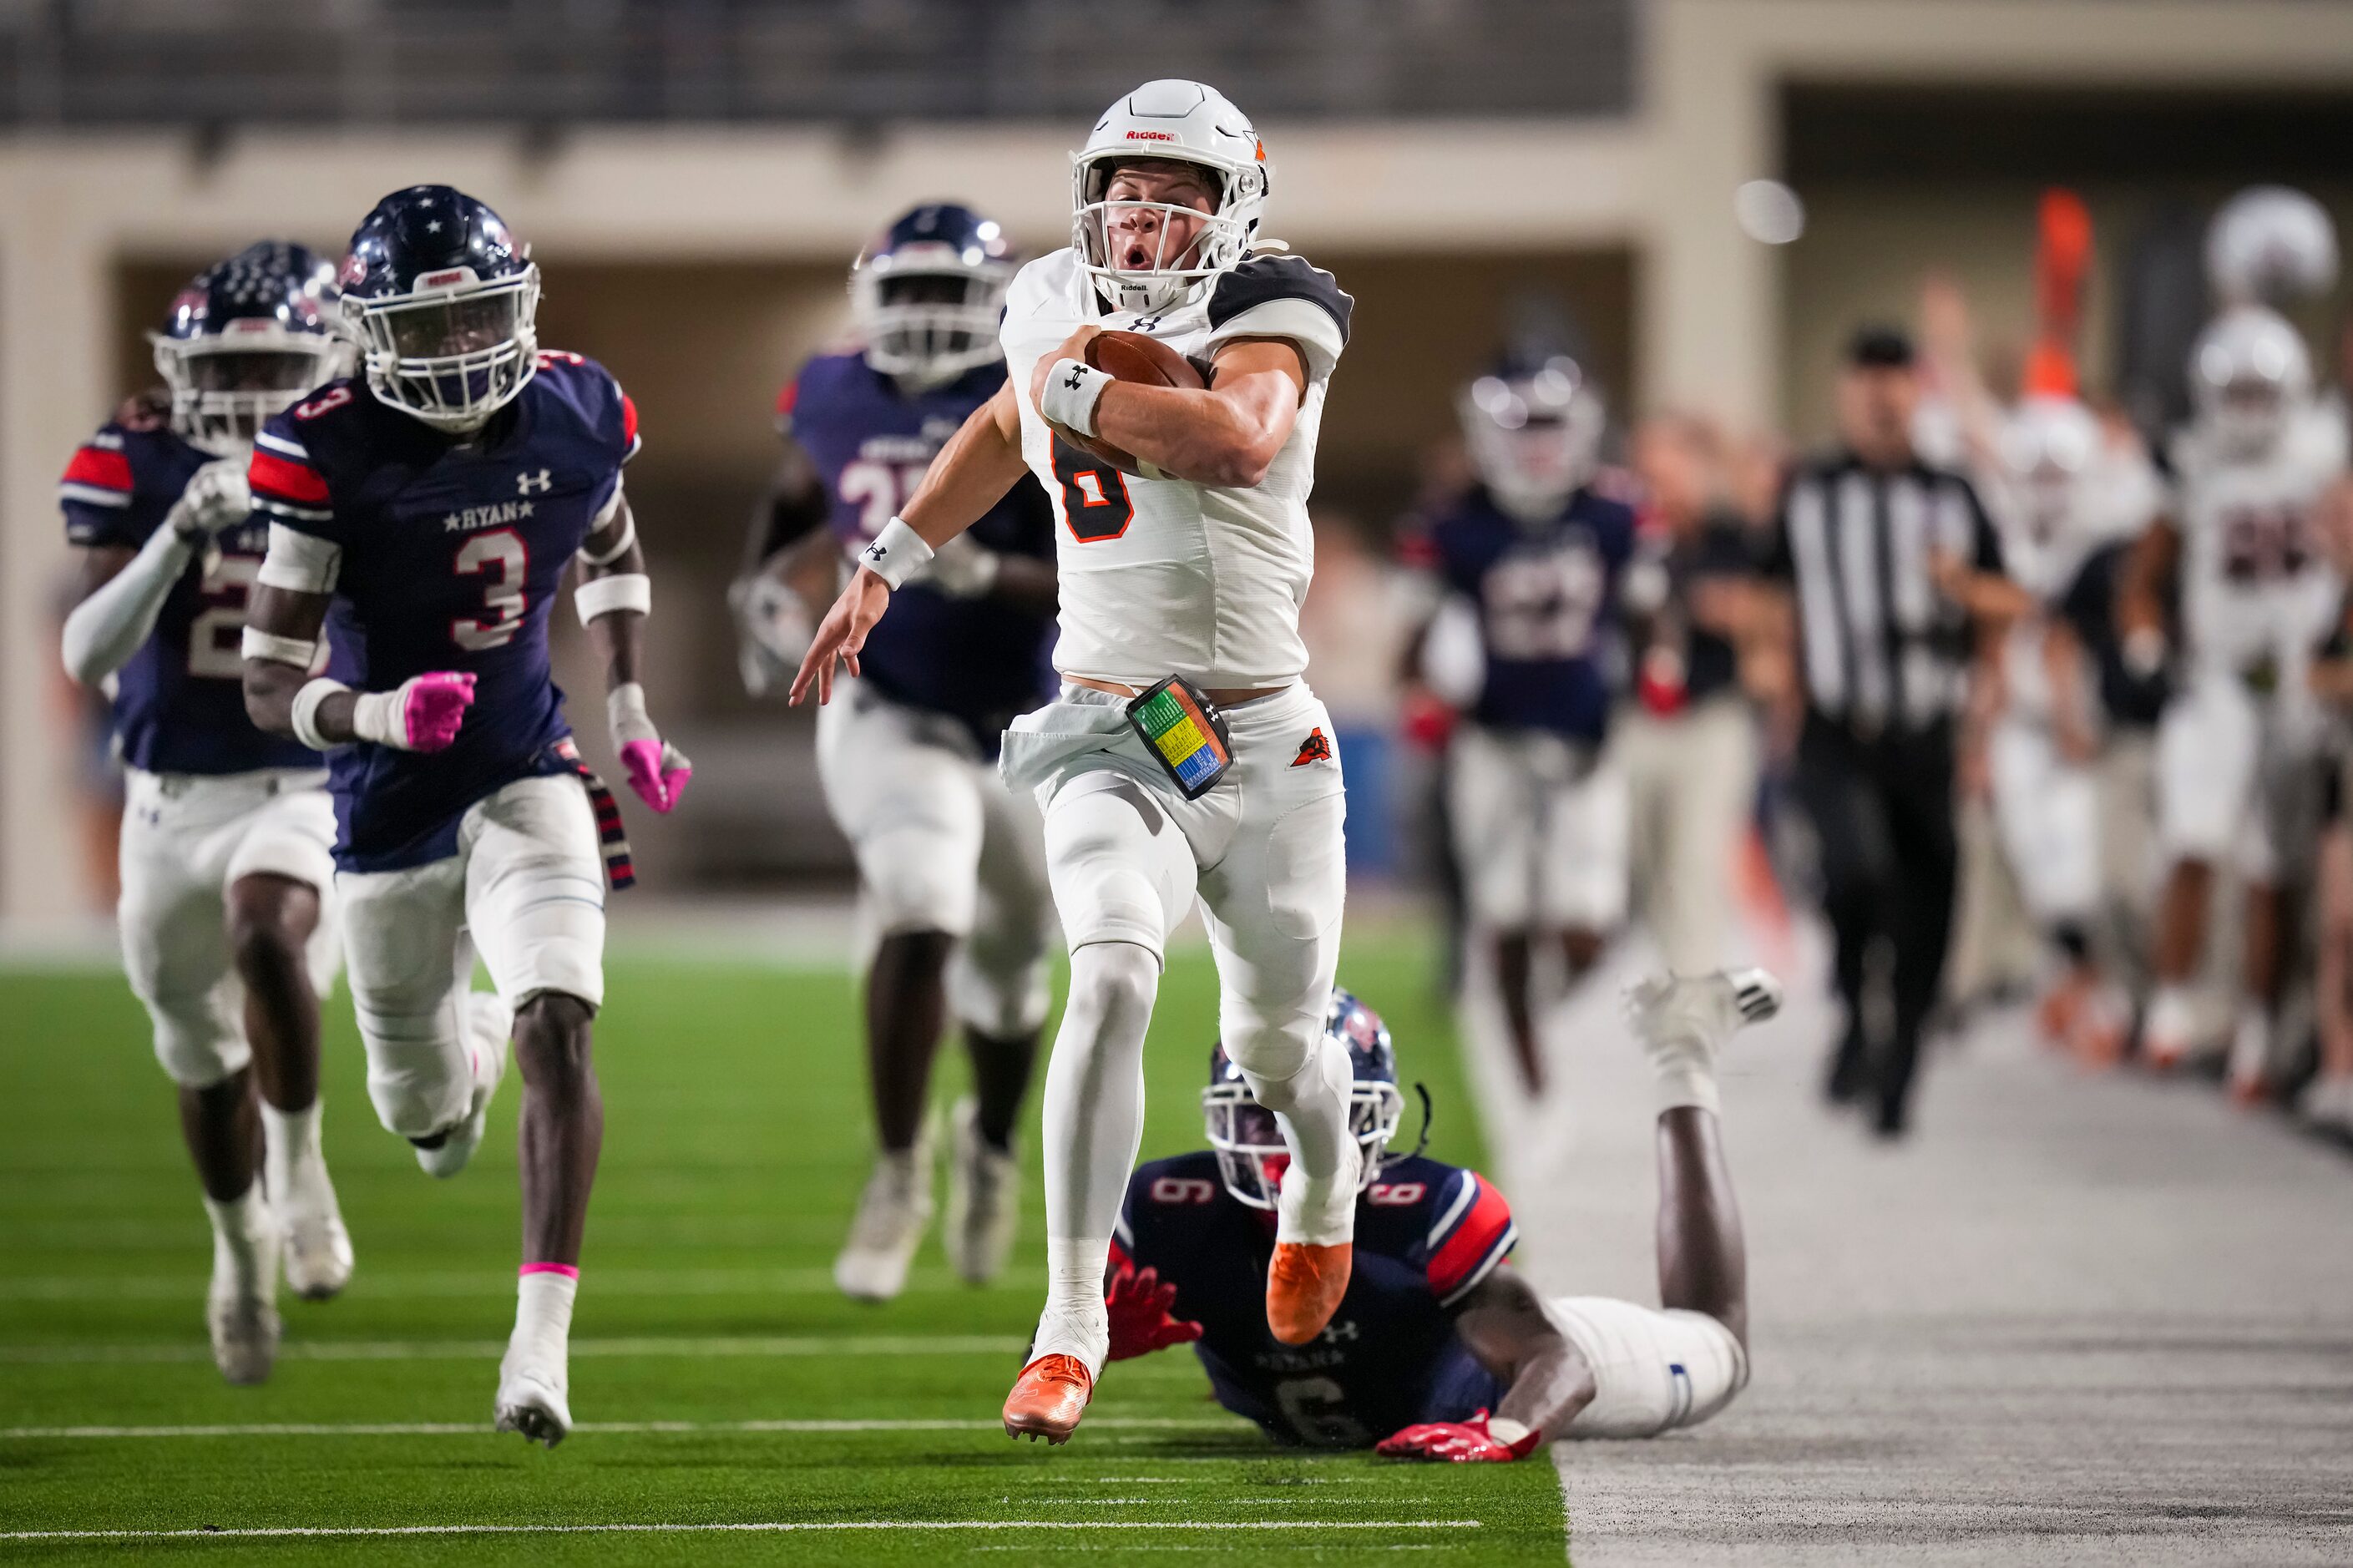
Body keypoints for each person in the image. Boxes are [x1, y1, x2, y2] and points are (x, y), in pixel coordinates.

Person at [792, 78, 1360, 1444]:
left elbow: (1234, 441)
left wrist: (1076, 383)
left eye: (1176, 196)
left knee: (1275, 1040)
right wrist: (887, 563)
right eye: (1125, 190)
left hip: (1268, 736)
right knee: (1106, 969)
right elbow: (1003, 426)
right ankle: (1066, 1322)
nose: (1144, 217)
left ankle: (1324, 1185)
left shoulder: (1280, 297)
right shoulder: (1045, 295)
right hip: (1110, 719)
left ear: (1235, 209)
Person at [239, 185, 692, 1446]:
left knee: (564, 1017)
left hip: (524, 765)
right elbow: (267, 680)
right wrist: (378, 716)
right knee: (423, 1117)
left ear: (521, 306)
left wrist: (636, 708)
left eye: (477, 320)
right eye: (425, 331)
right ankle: (465, 1052)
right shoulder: (324, 449)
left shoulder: (578, 408)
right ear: (370, 334)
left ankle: (536, 1351)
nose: (456, 353)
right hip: (388, 805)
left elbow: (608, 547)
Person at [733, 203, 1059, 1301]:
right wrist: (756, 592)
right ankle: (894, 1171)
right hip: (889, 701)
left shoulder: (1043, 379)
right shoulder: (828, 388)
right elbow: (794, 507)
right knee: (921, 906)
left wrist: (995, 577)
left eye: (942, 292)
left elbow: (1106, 563)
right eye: (905, 291)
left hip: (1028, 714)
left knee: (1013, 976)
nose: (921, 317)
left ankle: (993, 1146)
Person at [56, 242, 355, 1383]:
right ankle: (237, 1257)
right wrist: (179, 530)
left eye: (275, 366)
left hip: (303, 779)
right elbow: (88, 652)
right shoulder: (133, 459)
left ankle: (303, 1175)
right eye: (227, 368)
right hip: (169, 799)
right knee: (201, 1061)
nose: (245, 396)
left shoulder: (356, 448)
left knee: (266, 931)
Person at [1102, 975, 1779, 1454]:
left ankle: (1682, 1049)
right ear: (1222, 1115)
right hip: (1371, 1408)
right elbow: (1041, 1367)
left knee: (1720, 1342)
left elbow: (1559, 1359)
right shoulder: (1171, 1203)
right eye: (1262, 1114)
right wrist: (1087, 1345)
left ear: (1372, 1121)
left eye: (1317, 1117)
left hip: (1520, 1379)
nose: (1289, 1142)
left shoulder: (1422, 1210)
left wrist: (1504, 1432)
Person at [1763, 325, 2022, 1138]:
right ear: (1845, 393)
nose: (1882, 396)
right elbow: (1777, 597)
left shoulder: (1954, 491)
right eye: (1866, 378)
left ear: (1917, 391)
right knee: (1853, 876)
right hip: (1839, 730)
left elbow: (2010, 603)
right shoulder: (1808, 491)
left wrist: (1960, 588)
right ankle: (1852, 1010)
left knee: (1931, 900)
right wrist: (1779, 687)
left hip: (1927, 734)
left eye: (1896, 378)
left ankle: (1899, 1052)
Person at [2123, 305, 2346, 1098]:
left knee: (2271, 867)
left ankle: (2258, 1030)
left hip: (2299, 683)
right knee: (2192, 837)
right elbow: (2144, 573)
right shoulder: (2192, 460)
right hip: (2216, 677)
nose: (2250, 407)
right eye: (2237, 390)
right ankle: (2173, 1006)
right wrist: (2146, 640)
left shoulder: (2326, 452)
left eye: (2264, 389)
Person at [1399, 352, 1636, 1093]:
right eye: (1522, 427)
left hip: (1586, 737)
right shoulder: (1453, 523)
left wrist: (1658, 669)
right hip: (1489, 734)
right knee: (1502, 910)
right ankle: (1525, 1059)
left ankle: (1549, 1006)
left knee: (1591, 920)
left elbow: (1652, 609)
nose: (1536, 444)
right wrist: (1420, 692)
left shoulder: (1614, 513)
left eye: (1549, 425)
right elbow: (1413, 634)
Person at [1979, 392, 2159, 1063]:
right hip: (2024, 724)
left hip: (2076, 724)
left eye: (2063, 474)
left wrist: (2069, 715)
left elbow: (2065, 638)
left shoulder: (2100, 533)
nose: (2051, 490)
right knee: (2040, 868)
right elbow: (1997, 634)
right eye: (2040, 475)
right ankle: (2081, 984)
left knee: (2087, 869)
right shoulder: (2005, 531)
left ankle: (2103, 989)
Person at [1620, 411, 1772, 979]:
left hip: (1711, 718)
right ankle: (1670, 964)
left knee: (1696, 859)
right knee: (1637, 860)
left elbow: (1771, 598)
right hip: (1638, 719)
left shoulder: (1728, 536)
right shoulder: (1627, 539)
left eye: (1672, 467)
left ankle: (1694, 983)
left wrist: (1737, 608)